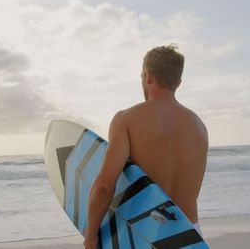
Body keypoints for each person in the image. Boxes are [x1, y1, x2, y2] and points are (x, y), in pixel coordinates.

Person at [83, 45, 209, 249]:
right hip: (191, 235)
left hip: (145, 234)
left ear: (148, 76)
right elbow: (193, 190)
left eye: (142, 75)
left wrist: (90, 237)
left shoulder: (126, 119)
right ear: (178, 82)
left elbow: (105, 187)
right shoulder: (199, 127)